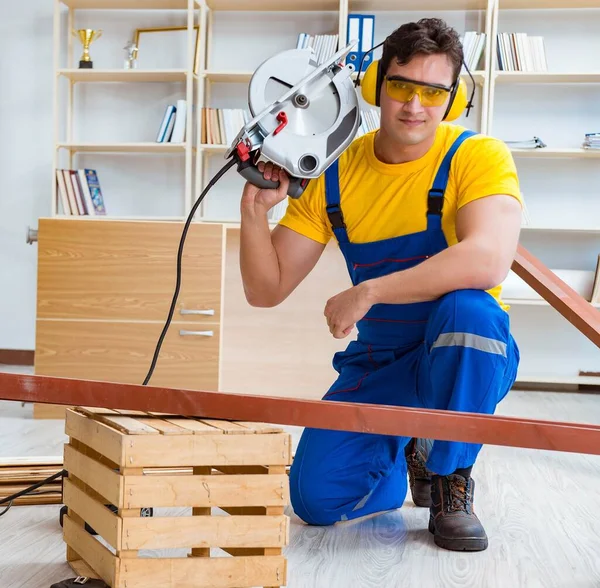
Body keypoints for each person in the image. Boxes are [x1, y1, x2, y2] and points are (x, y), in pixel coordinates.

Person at [238, 17, 523, 552]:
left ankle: (449, 478)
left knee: (471, 313)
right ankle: (408, 454)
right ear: (375, 87)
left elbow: (487, 261)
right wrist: (255, 211)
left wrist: (369, 290)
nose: (415, 105)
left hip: (459, 354)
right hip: (381, 364)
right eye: (401, 86)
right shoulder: (336, 173)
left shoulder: (477, 156)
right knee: (316, 502)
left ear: (454, 98)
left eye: (433, 91)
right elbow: (265, 288)